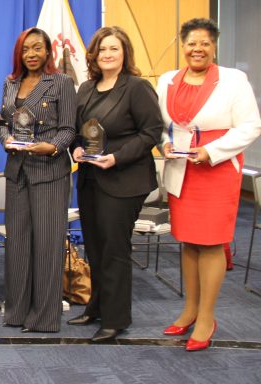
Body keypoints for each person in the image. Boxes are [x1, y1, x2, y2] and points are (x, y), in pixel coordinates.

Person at [157, 18, 261, 351]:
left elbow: (251, 126)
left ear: (214, 46)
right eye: (191, 43)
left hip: (217, 170)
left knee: (212, 243)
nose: (197, 49)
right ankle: (189, 310)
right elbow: (161, 125)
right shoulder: (167, 80)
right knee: (188, 242)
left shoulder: (233, 80)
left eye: (205, 43)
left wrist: (211, 151)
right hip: (181, 170)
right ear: (183, 46)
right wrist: (164, 144)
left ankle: (206, 317)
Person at [69, 26, 163, 342]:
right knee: (95, 247)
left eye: (114, 48)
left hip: (123, 180)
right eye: (102, 49)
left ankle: (116, 318)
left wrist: (117, 157)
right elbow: (78, 131)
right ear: (93, 55)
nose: (107, 54)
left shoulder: (137, 87)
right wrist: (76, 149)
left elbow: (151, 132)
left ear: (125, 53)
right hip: (90, 178)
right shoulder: (86, 88)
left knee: (114, 249)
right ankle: (96, 307)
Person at [0, 27, 76, 333]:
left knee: (47, 244)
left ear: (47, 51)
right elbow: (3, 123)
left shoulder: (61, 82)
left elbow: (69, 129)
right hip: (17, 171)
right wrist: (5, 139)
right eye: (25, 49)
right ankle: (16, 312)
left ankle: (44, 317)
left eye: (37, 48)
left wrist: (53, 147)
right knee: (17, 244)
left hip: (49, 171)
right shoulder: (10, 82)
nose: (31, 54)